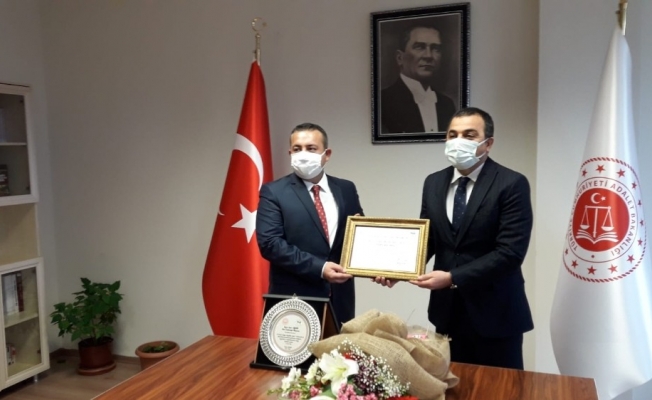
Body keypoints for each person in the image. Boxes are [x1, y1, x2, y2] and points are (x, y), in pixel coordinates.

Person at [377, 107, 534, 369]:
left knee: (500, 388)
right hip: (447, 312)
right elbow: (428, 239)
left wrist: (452, 277)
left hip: (496, 314)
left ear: (488, 144)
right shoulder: (433, 183)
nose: (458, 141)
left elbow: (510, 253)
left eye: (469, 135)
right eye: (453, 134)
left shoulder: (511, 183)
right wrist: (398, 270)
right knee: (453, 385)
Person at [256, 122, 364, 325]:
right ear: (290, 153)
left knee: (341, 347)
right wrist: (320, 268)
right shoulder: (274, 192)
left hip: (341, 299)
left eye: (311, 148)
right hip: (295, 299)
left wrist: (379, 269)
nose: (303, 154)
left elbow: (359, 236)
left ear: (327, 154)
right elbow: (270, 244)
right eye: (297, 149)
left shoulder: (346, 189)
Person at [381, 25, 457, 134]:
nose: (428, 56)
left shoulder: (447, 105)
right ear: (399, 58)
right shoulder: (383, 102)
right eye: (419, 47)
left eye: (435, 48)